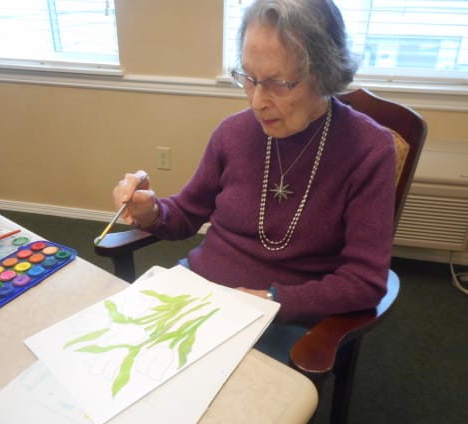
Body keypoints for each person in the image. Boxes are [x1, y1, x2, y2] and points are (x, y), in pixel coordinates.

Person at [112, 0, 396, 363]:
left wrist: (273, 300)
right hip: (199, 289)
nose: (257, 101)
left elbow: (366, 281)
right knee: (121, 361)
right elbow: (185, 213)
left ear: (324, 74)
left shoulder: (368, 150)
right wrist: (151, 211)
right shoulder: (232, 133)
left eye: (278, 83)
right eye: (248, 78)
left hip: (286, 317)